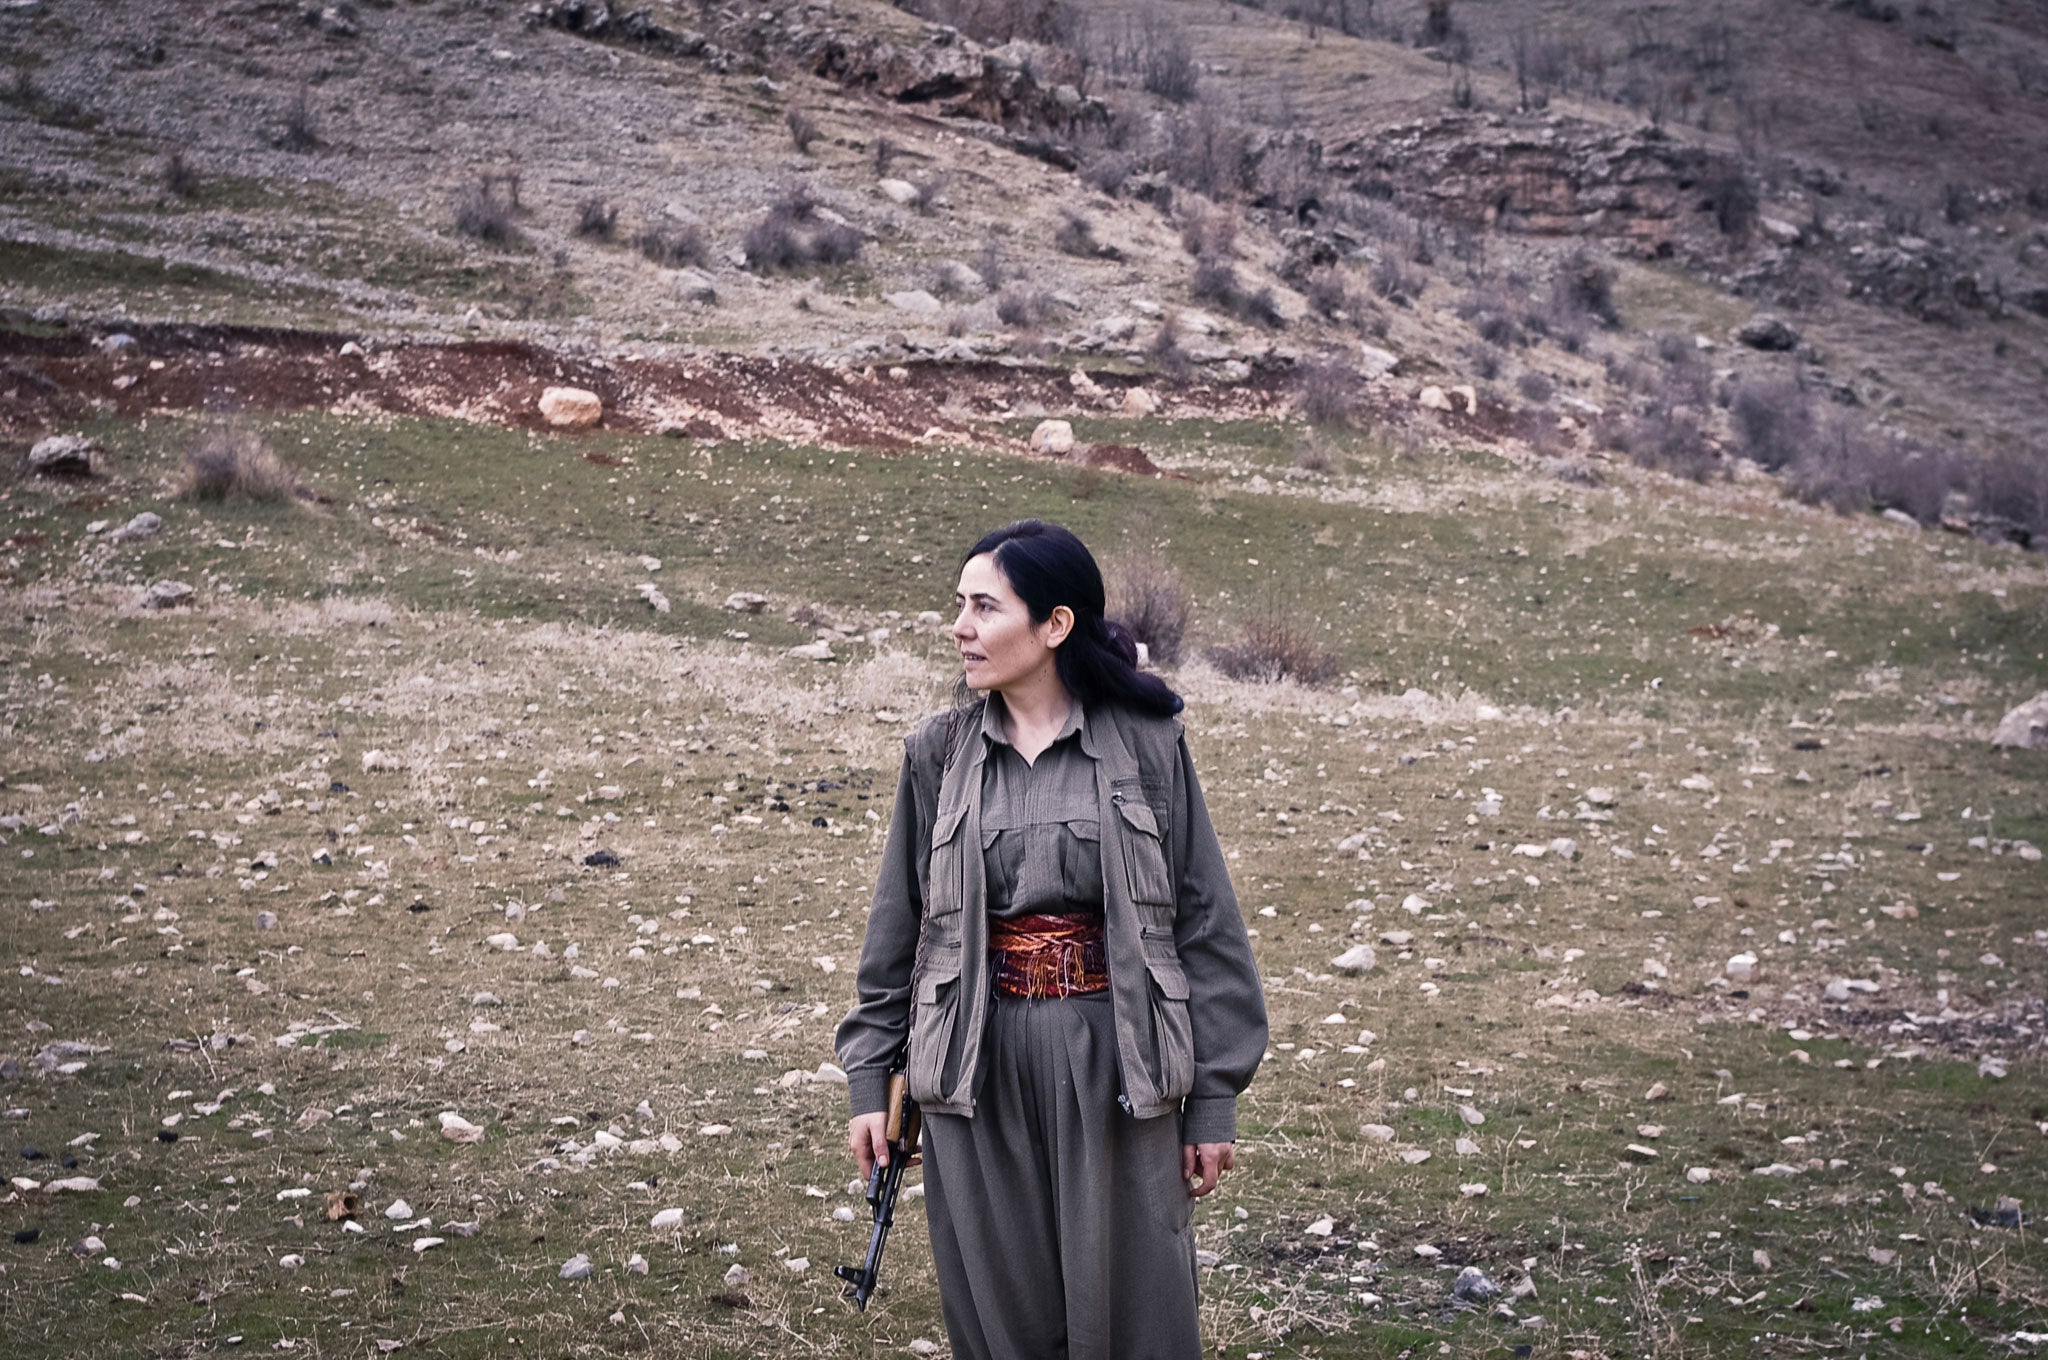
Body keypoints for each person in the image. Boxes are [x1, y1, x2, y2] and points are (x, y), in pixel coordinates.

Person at [836, 519, 1268, 1360]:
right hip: (973, 1066)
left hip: (1118, 1060)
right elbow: (898, 930)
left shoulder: (1147, 744)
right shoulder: (938, 753)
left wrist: (1212, 1099)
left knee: (1138, 1312)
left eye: (984, 606)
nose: (959, 625)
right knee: (1004, 1316)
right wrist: (869, 1080)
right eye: (959, 604)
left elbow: (1205, 921)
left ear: (1055, 625)